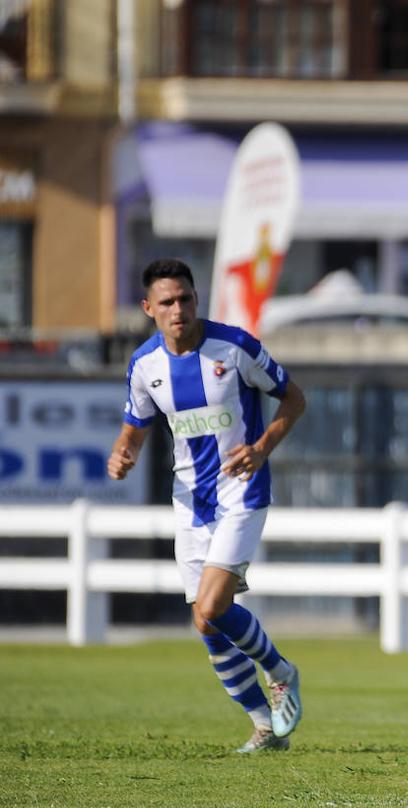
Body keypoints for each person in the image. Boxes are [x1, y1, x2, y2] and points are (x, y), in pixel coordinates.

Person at [107, 258, 307, 753]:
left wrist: (261, 448)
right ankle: (264, 726)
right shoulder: (144, 366)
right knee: (204, 622)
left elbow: (294, 399)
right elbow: (136, 426)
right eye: (168, 302)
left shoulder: (234, 346)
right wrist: (123, 451)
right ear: (148, 308)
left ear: (197, 300)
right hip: (190, 501)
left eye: (186, 299)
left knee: (216, 605)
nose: (179, 309)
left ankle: (282, 673)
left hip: (242, 491)